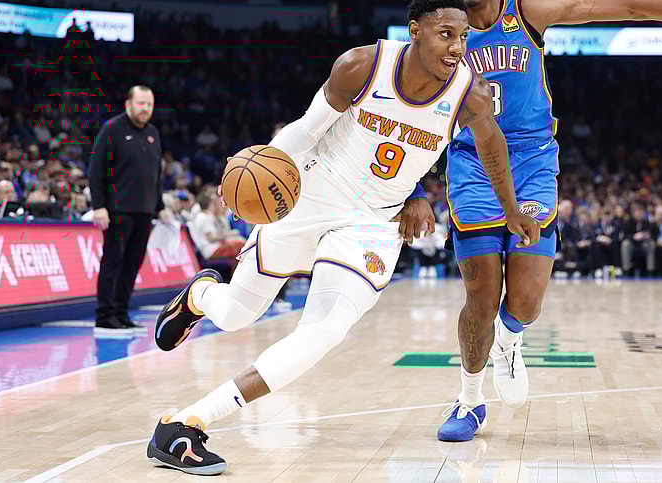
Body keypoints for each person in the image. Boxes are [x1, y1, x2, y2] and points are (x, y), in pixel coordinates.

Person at [147, 0, 537, 475]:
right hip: (309, 195)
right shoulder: (362, 66)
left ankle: (189, 422)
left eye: (461, 36)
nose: (457, 47)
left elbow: (491, 143)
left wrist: (509, 208)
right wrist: (252, 176)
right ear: (415, 31)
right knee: (234, 315)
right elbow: (306, 132)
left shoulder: (467, 93)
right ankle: (202, 293)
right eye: (444, 34)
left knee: (327, 328)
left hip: (372, 225)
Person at [438, 0, 662, 442]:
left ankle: (508, 341)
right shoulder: (445, 27)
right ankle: (469, 400)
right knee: (481, 299)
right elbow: (405, 99)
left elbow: (630, 7)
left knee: (523, 302)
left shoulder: (527, 12)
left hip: (531, 162)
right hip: (472, 164)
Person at [89, 85, 170, 336]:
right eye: (140, 103)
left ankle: (122, 314)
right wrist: (99, 206)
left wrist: (160, 207)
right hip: (117, 211)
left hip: (144, 211)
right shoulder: (112, 128)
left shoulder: (153, 133)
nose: (145, 109)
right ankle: (105, 317)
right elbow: (96, 171)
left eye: (149, 104)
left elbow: (154, 175)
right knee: (114, 262)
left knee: (132, 265)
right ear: (128, 104)